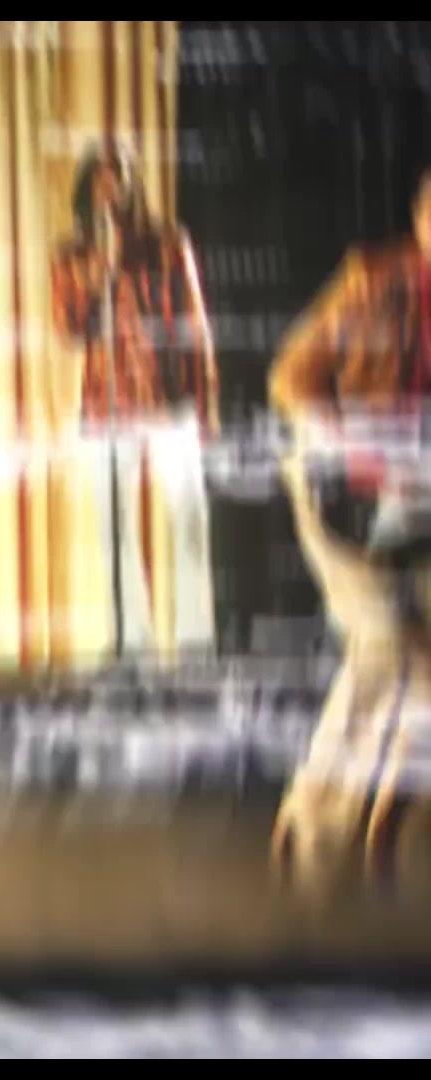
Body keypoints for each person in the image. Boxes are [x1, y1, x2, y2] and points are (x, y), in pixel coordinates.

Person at [268, 168, 431, 896]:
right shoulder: (375, 282)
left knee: (411, 670)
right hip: (345, 498)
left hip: (415, 506)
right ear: (423, 223)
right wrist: (359, 446)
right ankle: (318, 831)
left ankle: (382, 830)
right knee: (388, 652)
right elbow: (292, 378)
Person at [50, 138, 219, 659]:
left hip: (169, 397)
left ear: (133, 184)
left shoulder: (168, 244)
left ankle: (195, 640)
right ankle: (132, 639)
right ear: (87, 191)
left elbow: (195, 324)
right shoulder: (72, 254)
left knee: (188, 517)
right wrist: (98, 274)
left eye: (118, 176)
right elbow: (70, 328)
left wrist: (207, 400)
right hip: (107, 402)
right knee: (113, 524)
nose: (110, 188)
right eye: (100, 179)